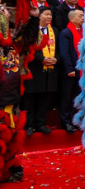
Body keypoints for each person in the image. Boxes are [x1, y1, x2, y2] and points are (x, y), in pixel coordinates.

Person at [0, 0, 42, 184]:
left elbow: (31, 42)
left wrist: (34, 20)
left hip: (11, 89)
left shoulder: (16, 35)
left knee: (9, 129)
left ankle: (8, 167)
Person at [23, 7, 59, 136]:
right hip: (34, 68)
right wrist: (42, 59)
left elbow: (59, 50)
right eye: (46, 15)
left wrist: (55, 59)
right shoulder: (32, 30)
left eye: (50, 15)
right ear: (39, 16)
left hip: (50, 71)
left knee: (44, 100)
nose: (49, 17)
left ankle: (40, 123)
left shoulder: (54, 31)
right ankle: (29, 125)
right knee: (30, 99)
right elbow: (28, 48)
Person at [58, 9, 84, 132]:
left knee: (76, 97)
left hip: (81, 70)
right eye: (80, 16)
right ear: (72, 19)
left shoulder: (84, 32)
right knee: (66, 97)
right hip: (70, 71)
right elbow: (65, 53)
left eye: (83, 15)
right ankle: (66, 122)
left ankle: (75, 120)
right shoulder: (66, 33)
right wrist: (69, 69)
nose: (83, 18)